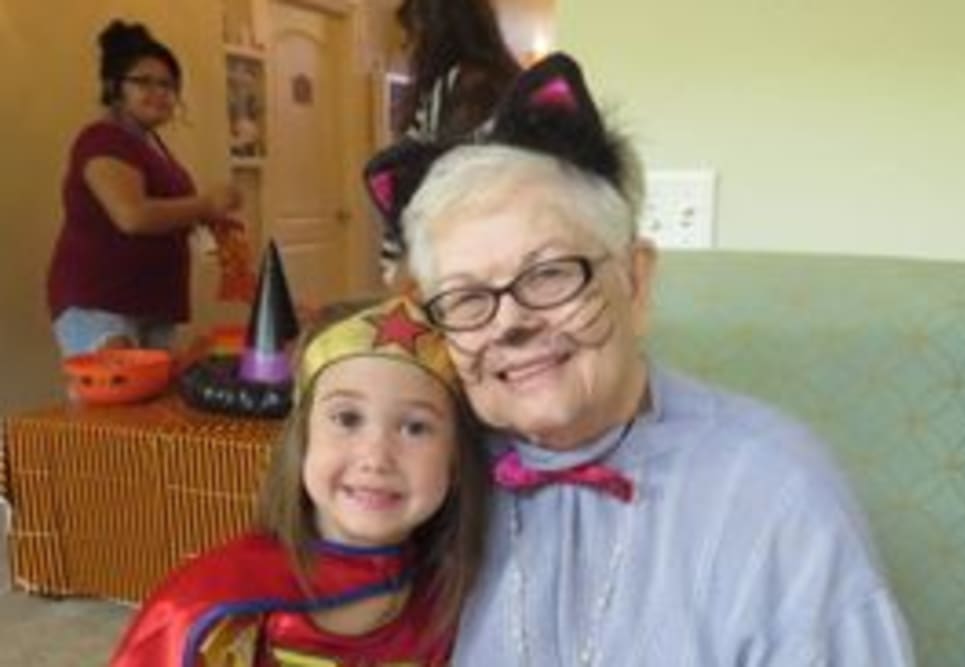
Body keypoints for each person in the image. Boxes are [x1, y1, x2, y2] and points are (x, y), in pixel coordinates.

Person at [364, 53, 915, 665]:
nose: (511, 323)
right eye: (466, 298)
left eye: (548, 274)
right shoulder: (415, 475)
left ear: (637, 280)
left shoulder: (778, 494)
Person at [110, 296, 488, 666]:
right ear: (303, 439)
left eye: (415, 427)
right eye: (347, 419)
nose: (376, 458)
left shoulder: (465, 600)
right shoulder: (208, 609)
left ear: (455, 458)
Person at [47, 20, 241, 358]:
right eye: (144, 82)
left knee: (152, 407)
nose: (160, 92)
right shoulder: (103, 139)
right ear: (114, 87)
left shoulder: (151, 144)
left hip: (151, 303)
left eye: (168, 85)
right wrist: (206, 205)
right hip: (102, 303)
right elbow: (132, 215)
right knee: (115, 408)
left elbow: (165, 213)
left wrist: (210, 221)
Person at [380, 0, 523, 286]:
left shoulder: (461, 85)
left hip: (448, 268)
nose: (408, 47)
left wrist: (405, 273)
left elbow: (444, 190)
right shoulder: (506, 84)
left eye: (412, 34)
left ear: (436, 31)